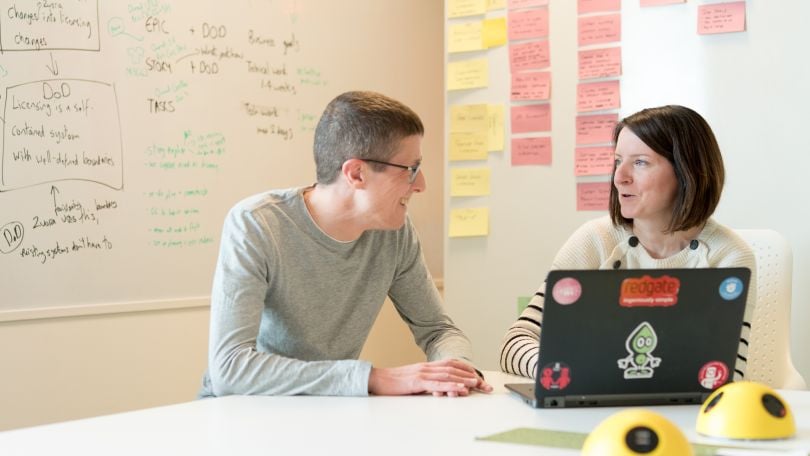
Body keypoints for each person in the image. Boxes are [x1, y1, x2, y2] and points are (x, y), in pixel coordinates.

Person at [199, 91, 491, 398]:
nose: (421, 185)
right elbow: (230, 369)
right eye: (410, 169)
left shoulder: (394, 233)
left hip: (331, 410)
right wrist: (372, 379)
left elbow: (439, 332)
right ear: (356, 173)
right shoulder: (256, 224)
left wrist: (453, 371)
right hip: (241, 415)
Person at [499, 105, 756, 381]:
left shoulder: (729, 256)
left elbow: (728, 374)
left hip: (686, 417)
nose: (619, 177)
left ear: (687, 171)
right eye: (618, 161)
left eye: (640, 162)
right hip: (590, 408)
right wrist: (564, 371)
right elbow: (515, 343)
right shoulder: (595, 240)